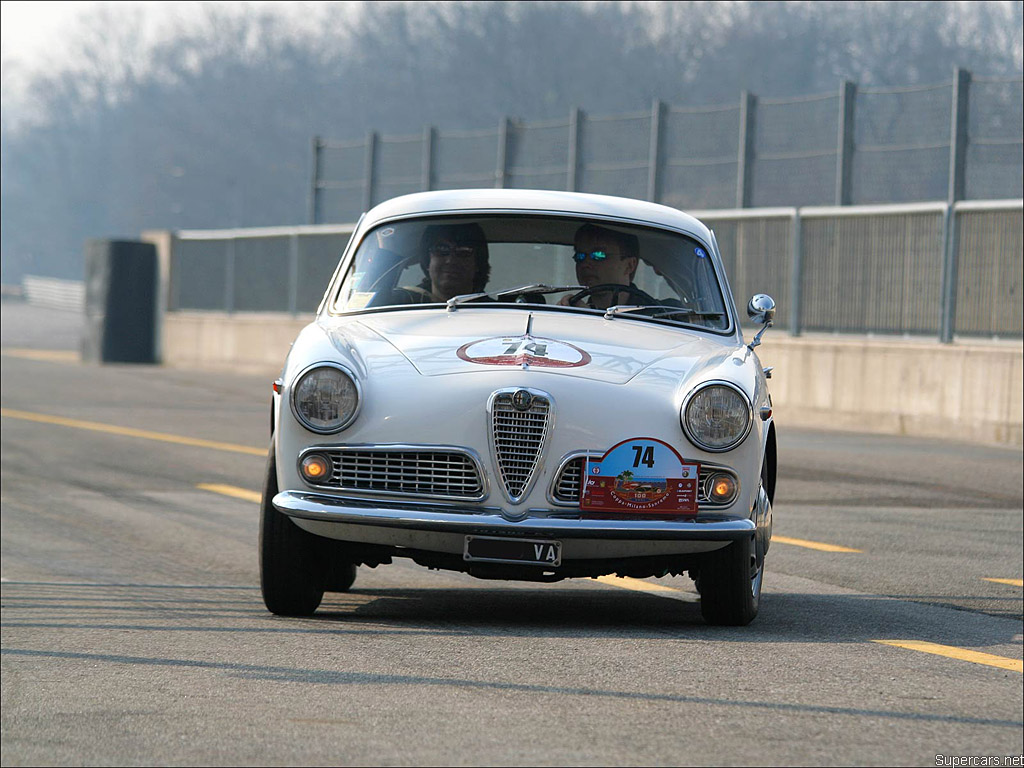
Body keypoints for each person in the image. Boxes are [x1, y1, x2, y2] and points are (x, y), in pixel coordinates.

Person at [559, 223, 653, 310]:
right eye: (579, 256)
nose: (585, 264)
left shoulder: (657, 316)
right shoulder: (574, 314)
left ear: (629, 265)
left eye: (598, 255)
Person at [391, 222, 490, 303]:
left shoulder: (497, 313)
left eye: (463, 251)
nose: (450, 261)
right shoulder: (402, 304)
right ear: (427, 261)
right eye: (441, 249)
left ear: (478, 263)